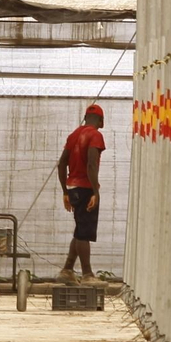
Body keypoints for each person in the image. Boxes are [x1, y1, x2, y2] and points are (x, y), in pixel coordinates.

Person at [56, 104, 106, 284]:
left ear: (85, 118)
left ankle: (67, 270)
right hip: (85, 188)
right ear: (101, 121)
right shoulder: (95, 135)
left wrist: (65, 192)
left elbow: (62, 164)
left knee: (79, 229)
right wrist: (95, 192)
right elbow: (91, 165)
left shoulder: (74, 135)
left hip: (72, 187)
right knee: (84, 233)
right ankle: (87, 275)